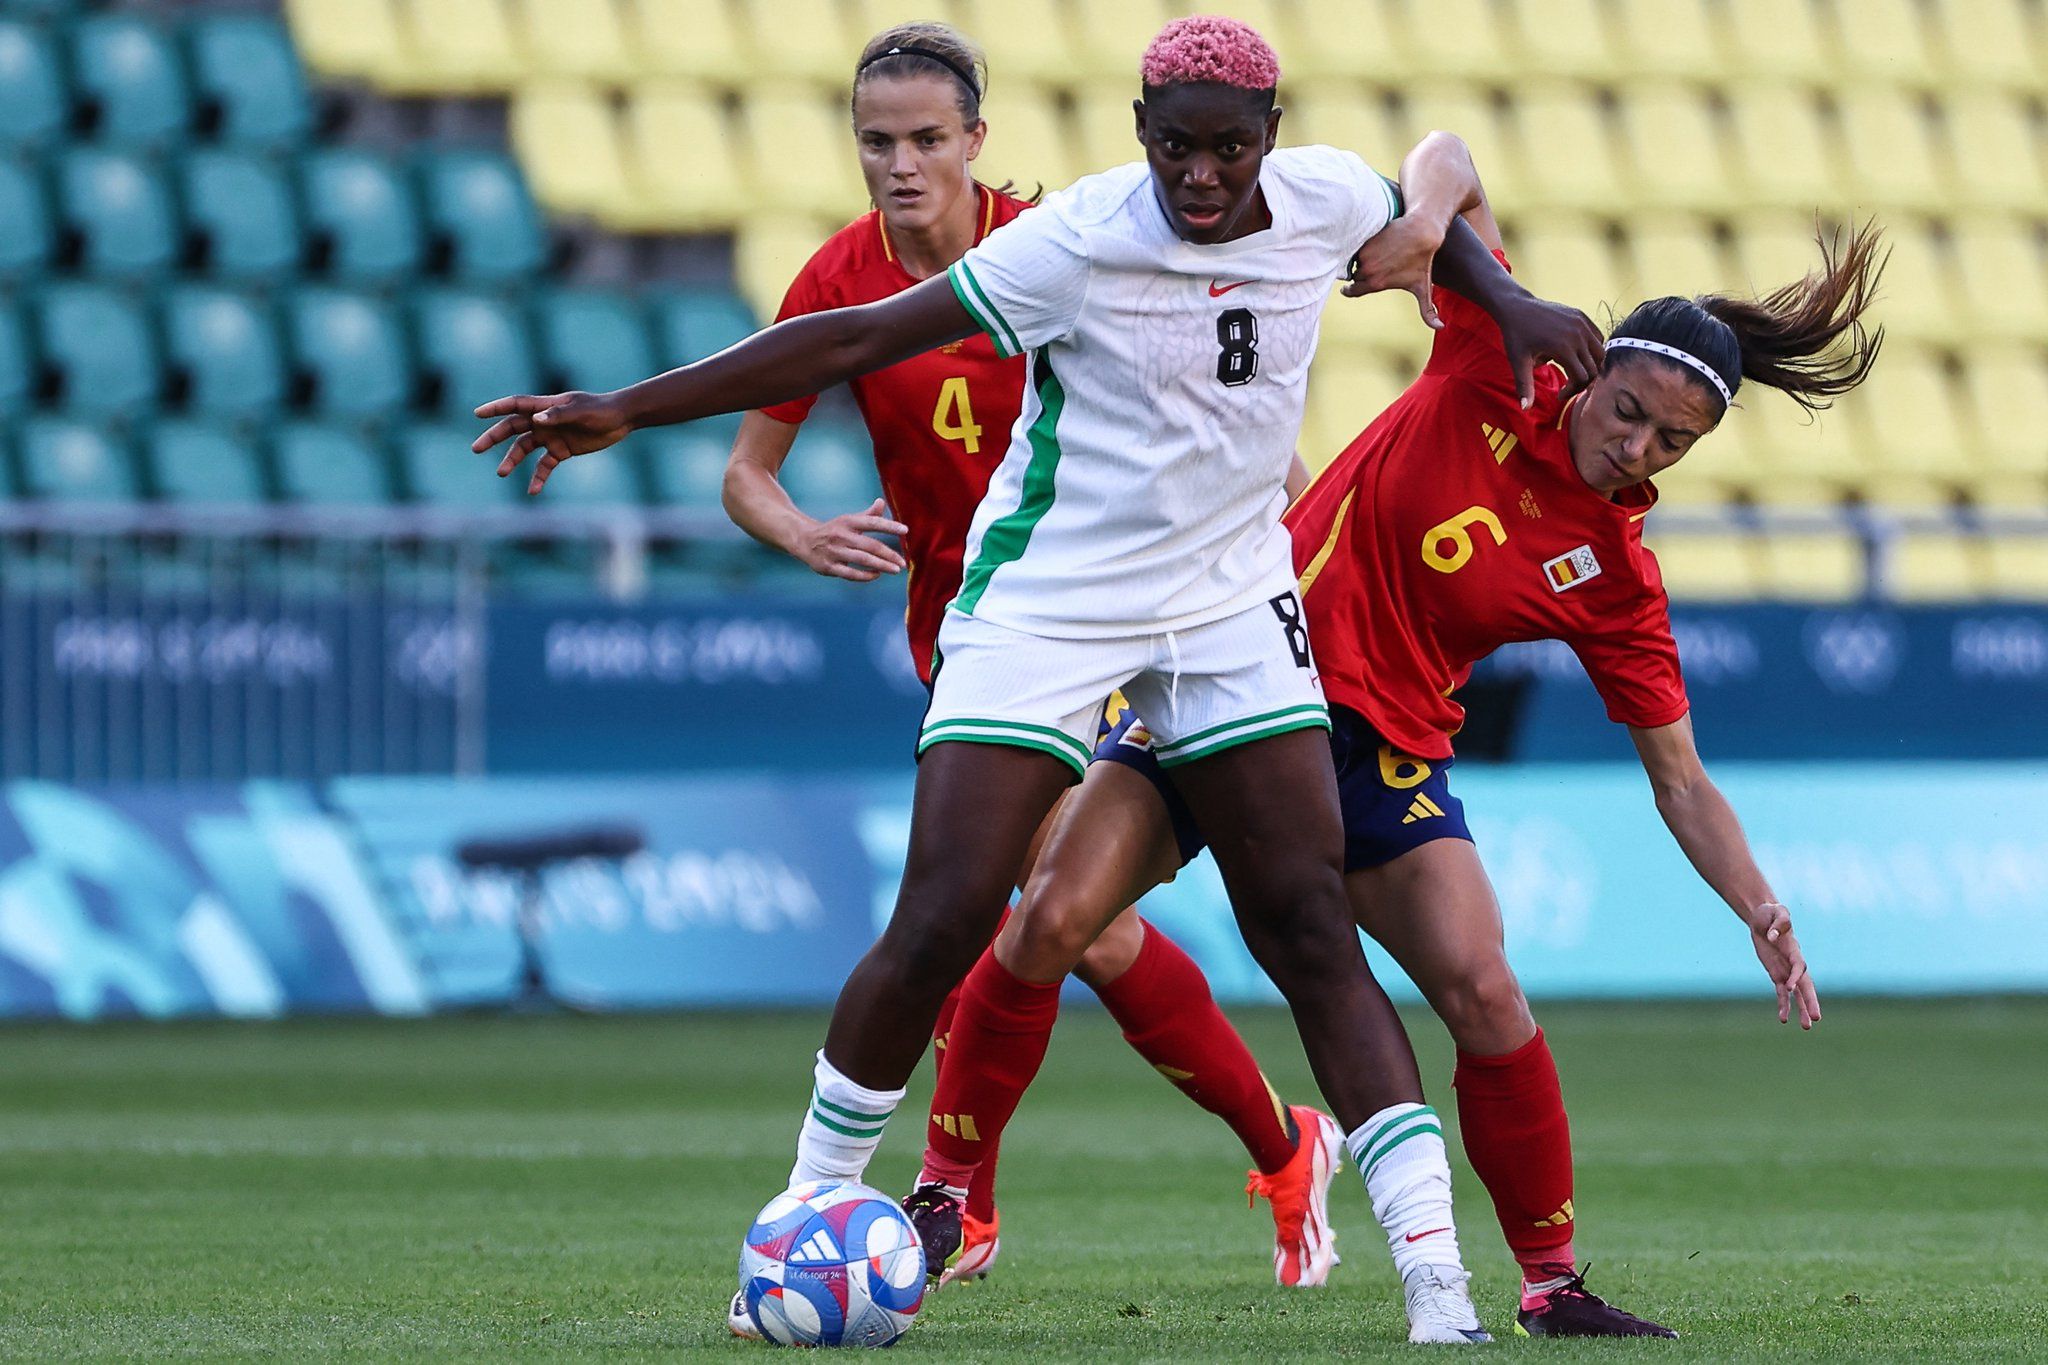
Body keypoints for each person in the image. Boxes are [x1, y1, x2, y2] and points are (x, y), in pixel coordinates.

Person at [474, 15, 1603, 1344]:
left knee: (1304, 921)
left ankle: (1438, 1288)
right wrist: (628, 405)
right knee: (948, 911)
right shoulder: (1076, 236)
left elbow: (1436, 204)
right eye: (1175, 148)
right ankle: (800, 1216)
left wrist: (1509, 295)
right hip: (1051, 598)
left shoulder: (1326, 197)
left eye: (1228, 151)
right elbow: (848, 343)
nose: (1200, 176)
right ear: (1139, 134)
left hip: (1233, 604)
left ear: (1270, 143)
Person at [918, 160, 1881, 1339]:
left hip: (1381, 752)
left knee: (1482, 989)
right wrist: (1425, 225)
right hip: (1229, 684)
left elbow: (1676, 777)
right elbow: (1449, 162)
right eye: (1627, 411)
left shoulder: (1616, 580)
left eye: (1670, 442)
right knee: (1048, 920)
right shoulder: (1499, 352)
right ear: (1594, 373)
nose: (1636, 447)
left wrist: (1757, 906)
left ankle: (1549, 1283)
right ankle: (948, 1196)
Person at [720, 21, 1345, 1302]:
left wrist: (1281, 540)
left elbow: (1217, 408)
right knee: (1057, 924)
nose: (901, 166)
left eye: (926, 140)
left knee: (1059, 920)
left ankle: (963, 1200)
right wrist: (803, 530)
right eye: (877, 142)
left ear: (974, 144)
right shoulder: (837, 283)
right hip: (977, 632)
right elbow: (747, 474)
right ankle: (1281, 1148)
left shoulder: (1063, 242)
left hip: (1123, 617)